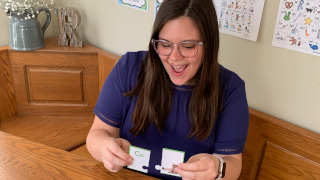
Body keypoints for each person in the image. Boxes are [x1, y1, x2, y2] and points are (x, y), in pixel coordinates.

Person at [86, 0, 249, 179]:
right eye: (165, 44)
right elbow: (97, 134)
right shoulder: (128, 68)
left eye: (188, 46)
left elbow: (232, 162)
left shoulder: (230, 89)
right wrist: (104, 149)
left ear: (208, 44)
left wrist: (218, 168)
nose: (174, 57)